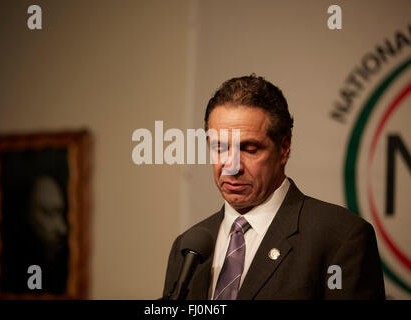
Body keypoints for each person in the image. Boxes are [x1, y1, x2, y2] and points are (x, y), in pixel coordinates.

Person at [163, 74, 385, 300]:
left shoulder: (341, 237)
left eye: (250, 149)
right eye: (219, 147)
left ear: (283, 148)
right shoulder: (187, 248)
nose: (231, 166)